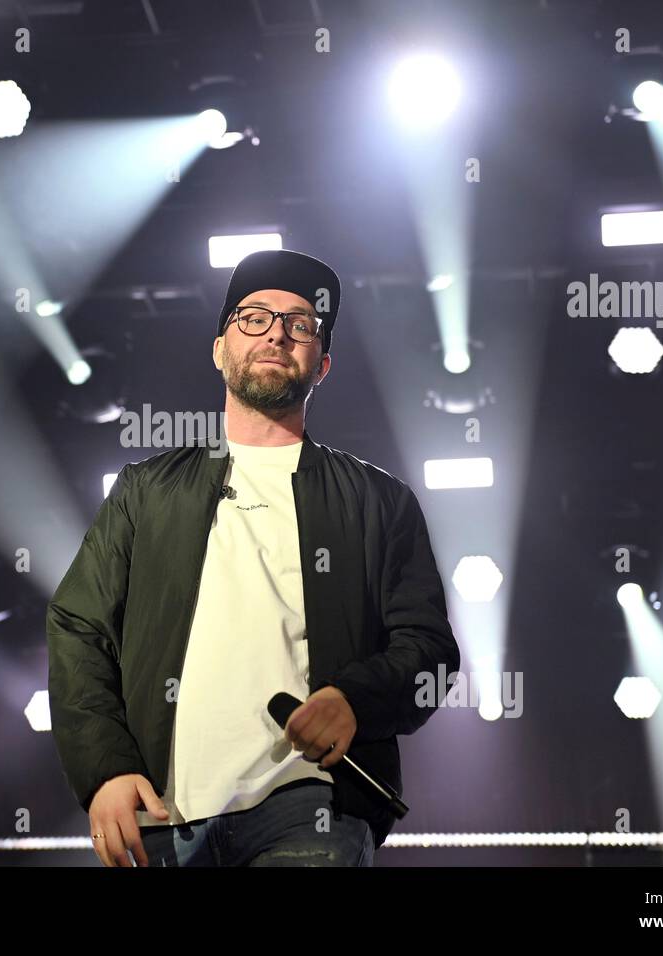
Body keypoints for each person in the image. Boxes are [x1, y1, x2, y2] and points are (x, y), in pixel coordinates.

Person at [47, 249, 459, 867]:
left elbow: (427, 648)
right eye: (255, 317)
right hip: (165, 811)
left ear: (322, 363)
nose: (276, 333)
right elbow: (80, 629)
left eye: (300, 324)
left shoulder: (380, 502)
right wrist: (105, 769)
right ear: (220, 349)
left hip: (310, 806)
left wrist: (353, 698)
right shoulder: (145, 492)